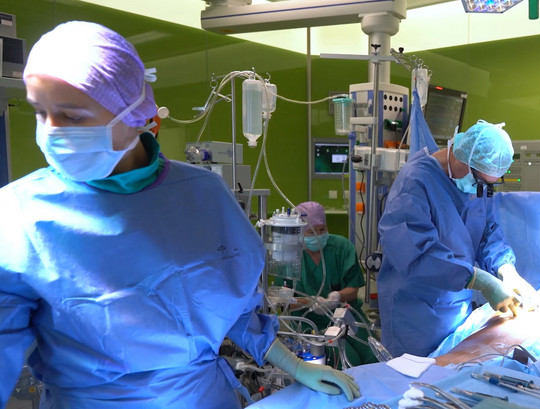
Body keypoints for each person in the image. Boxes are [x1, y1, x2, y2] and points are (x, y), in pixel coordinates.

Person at [0, 21, 358, 408]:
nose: (52, 131)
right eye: (40, 112)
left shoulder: (203, 194)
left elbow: (235, 307)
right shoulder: (19, 215)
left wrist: (295, 366)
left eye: (72, 116)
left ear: (133, 113)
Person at [377, 119, 537, 358]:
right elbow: (416, 253)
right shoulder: (414, 183)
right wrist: (478, 280)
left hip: (457, 307)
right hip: (416, 314)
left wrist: (505, 269)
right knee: (415, 376)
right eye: (480, 182)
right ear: (462, 158)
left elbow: (487, 232)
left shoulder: (474, 185)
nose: (480, 189)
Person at [276, 201, 378, 368]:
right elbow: (283, 301)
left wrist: (336, 297)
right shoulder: (289, 255)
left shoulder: (342, 247)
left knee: (372, 356)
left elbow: (353, 289)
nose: (318, 235)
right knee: (347, 361)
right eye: (311, 232)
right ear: (299, 232)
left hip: (346, 315)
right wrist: (311, 303)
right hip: (308, 322)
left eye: (322, 229)